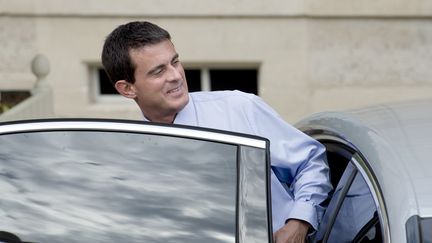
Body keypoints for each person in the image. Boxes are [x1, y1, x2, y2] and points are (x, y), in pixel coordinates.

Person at [101, 21, 332, 243]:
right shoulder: (132, 158)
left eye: (175, 62)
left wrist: (299, 222)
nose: (175, 76)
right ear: (127, 88)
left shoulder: (240, 108)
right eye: (158, 71)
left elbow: (311, 162)